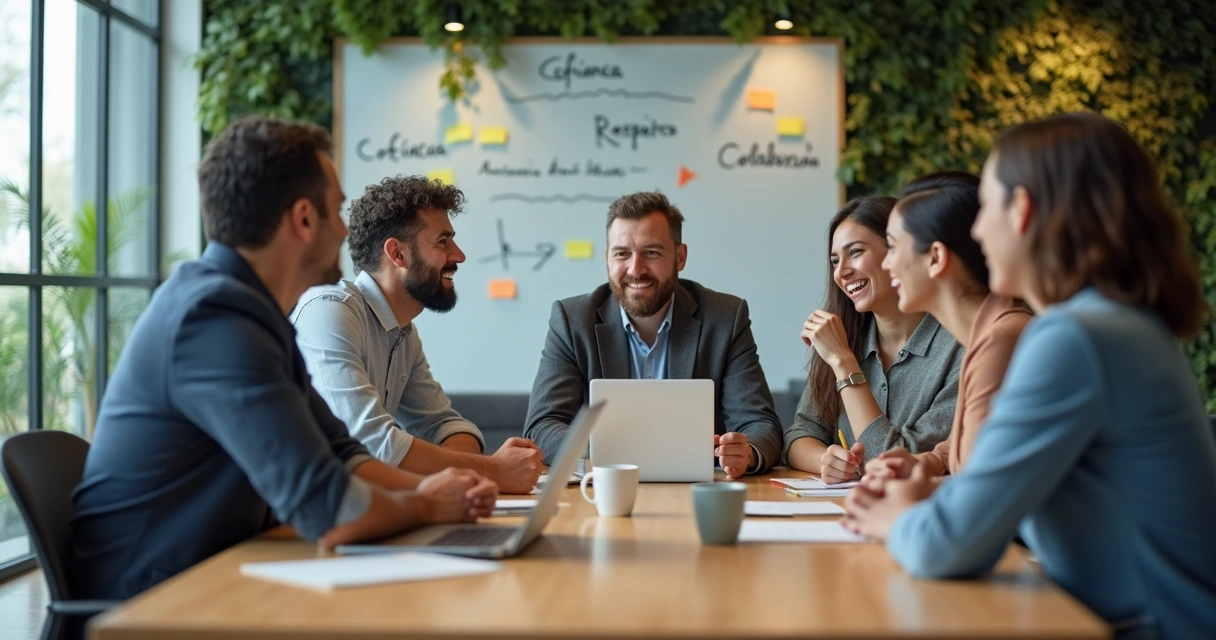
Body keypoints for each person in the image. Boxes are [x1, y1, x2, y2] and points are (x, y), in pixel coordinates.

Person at [71, 117, 498, 601]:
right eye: (336, 211)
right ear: (302, 218)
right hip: (151, 602)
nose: (343, 230)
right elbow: (328, 506)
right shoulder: (213, 317)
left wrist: (442, 492)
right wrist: (424, 505)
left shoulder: (252, 312)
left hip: (216, 574)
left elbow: (344, 453)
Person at [843, 113, 1216, 639]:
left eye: (987, 206)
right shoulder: (1105, 324)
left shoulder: (1073, 338)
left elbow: (949, 545)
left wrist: (895, 520)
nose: (975, 229)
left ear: (1022, 210)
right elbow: (988, 491)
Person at [292, 176, 544, 494]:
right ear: (397, 254)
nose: (459, 255)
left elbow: (443, 426)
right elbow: (372, 442)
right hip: (295, 530)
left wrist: (464, 474)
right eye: (443, 242)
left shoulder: (402, 332)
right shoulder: (329, 312)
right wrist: (492, 471)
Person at [523, 191, 782, 478]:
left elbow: (761, 426)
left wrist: (746, 451)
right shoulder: (572, 320)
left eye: (652, 253)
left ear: (680, 257)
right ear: (607, 258)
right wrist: (605, 449)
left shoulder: (724, 318)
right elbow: (542, 426)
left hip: (698, 492)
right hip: (602, 494)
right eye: (622, 253)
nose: (635, 269)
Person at [864, 172, 1031, 482]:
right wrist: (925, 463)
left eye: (893, 248)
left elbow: (982, 491)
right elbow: (969, 447)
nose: (887, 265)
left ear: (936, 257)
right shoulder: (986, 334)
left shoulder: (1001, 340)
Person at [783, 197, 963, 483]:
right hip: (843, 512)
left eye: (855, 252)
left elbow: (894, 461)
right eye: (834, 261)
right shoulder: (844, 336)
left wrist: (844, 364)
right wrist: (826, 460)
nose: (840, 272)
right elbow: (800, 434)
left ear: (898, 254)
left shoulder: (958, 347)